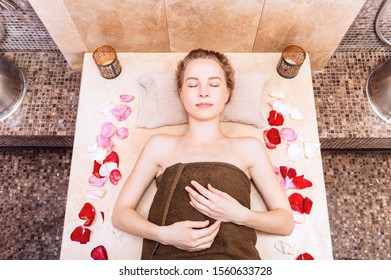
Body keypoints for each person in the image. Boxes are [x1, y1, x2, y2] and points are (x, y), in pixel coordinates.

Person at [112, 49, 294, 260]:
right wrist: (164, 235)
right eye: (192, 84)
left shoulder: (249, 148)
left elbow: (285, 222)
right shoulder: (159, 146)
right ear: (181, 94)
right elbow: (120, 214)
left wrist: (240, 214)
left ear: (227, 93)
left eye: (214, 84)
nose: (203, 92)